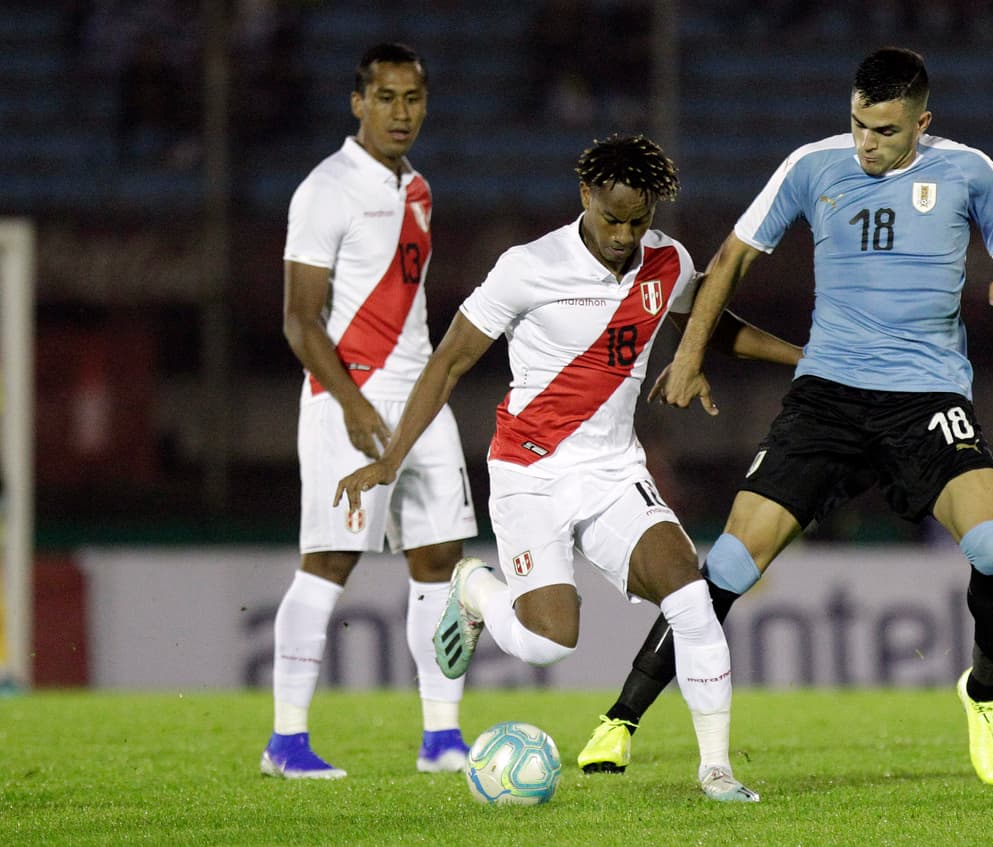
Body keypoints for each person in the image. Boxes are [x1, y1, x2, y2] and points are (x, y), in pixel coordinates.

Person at [576, 47, 993, 788]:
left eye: (886, 131)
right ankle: (621, 717)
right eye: (859, 123)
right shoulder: (813, 165)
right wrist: (694, 352)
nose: (867, 142)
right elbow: (731, 257)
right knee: (730, 564)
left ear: (921, 124)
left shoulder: (969, 172)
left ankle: (982, 691)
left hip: (927, 398)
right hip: (827, 395)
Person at [334, 134, 802, 801]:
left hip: (614, 472)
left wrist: (804, 357)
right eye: (612, 218)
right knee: (550, 643)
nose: (624, 234)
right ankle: (476, 590)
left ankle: (717, 771)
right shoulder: (528, 267)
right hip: (530, 475)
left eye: (638, 221)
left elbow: (711, 326)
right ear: (585, 196)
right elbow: (449, 360)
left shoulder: (666, 261)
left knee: (692, 598)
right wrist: (390, 457)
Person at [260, 42, 478, 780]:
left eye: (413, 99)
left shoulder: (418, 187)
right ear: (357, 102)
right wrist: (353, 405)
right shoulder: (325, 189)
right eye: (385, 98)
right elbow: (299, 320)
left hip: (419, 394)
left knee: (440, 558)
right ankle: (285, 740)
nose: (400, 112)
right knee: (328, 561)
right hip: (346, 397)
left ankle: (441, 737)